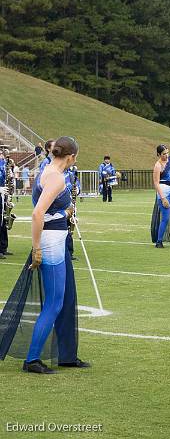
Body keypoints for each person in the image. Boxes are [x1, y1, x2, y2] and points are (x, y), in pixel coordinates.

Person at [0, 136, 89, 374]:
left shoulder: (49, 170)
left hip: (56, 239)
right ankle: (31, 359)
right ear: (71, 157)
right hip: (51, 243)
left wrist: (65, 211)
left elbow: (48, 209)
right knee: (54, 302)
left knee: (66, 297)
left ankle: (67, 355)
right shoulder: (56, 177)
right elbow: (38, 213)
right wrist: (36, 248)